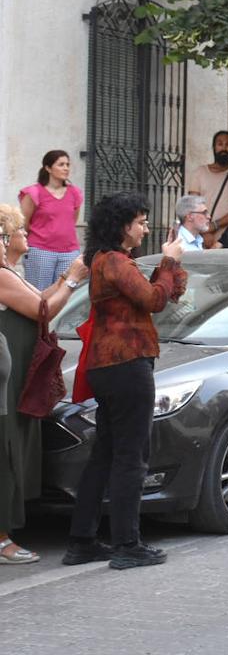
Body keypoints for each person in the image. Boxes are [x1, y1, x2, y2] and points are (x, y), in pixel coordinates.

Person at [65, 192, 188, 569]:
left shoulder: (108, 260)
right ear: (123, 226)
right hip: (125, 363)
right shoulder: (115, 261)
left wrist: (171, 265)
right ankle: (126, 545)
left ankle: (83, 541)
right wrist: (169, 261)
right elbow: (154, 300)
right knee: (132, 456)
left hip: (109, 365)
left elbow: (165, 293)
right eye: (141, 221)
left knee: (106, 453)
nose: (146, 227)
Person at [0, 205, 89, 565]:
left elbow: (39, 300)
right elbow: (44, 311)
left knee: (13, 449)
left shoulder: (10, 272)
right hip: (4, 382)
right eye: (21, 231)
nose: (28, 237)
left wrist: (67, 278)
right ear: (5, 238)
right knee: (5, 454)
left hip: (16, 377)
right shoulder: (2, 276)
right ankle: (2, 539)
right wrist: (70, 281)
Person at [18, 150, 84, 290]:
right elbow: (23, 223)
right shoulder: (34, 192)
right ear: (48, 168)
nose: (66, 168)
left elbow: (71, 221)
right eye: (61, 164)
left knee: (65, 295)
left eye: (67, 164)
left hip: (69, 252)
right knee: (38, 294)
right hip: (41, 251)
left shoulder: (75, 193)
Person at [186, 130, 228, 245]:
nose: (224, 148)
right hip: (201, 239)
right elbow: (192, 206)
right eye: (220, 144)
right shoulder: (199, 173)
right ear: (214, 148)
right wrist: (204, 232)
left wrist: (214, 225)